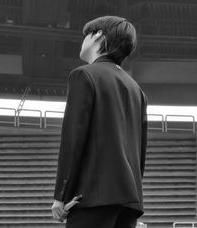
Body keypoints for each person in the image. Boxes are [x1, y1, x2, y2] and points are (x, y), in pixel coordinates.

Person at [51, 15, 148, 228]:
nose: (82, 40)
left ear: (98, 36)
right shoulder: (136, 90)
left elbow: (73, 139)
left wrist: (61, 195)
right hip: (128, 203)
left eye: (86, 34)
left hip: (92, 198)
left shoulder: (84, 75)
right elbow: (139, 154)